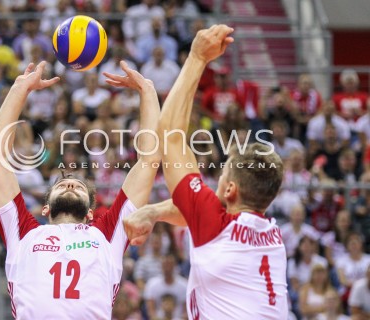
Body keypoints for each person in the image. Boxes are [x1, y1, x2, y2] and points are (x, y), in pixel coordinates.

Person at [124, 25, 289, 319]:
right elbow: (198, 213)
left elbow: (170, 134)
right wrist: (152, 212)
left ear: (229, 190)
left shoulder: (217, 225)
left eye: (222, 174)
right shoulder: (271, 232)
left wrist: (197, 57)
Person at [0, 61, 161, 318]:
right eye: (62, 183)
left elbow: (149, 161)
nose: (70, 182)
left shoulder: (108, 234)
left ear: (91, 212)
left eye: (79, 185)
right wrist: (19, 89)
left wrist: (148, 92)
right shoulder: (23, 232)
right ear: (45, 208)